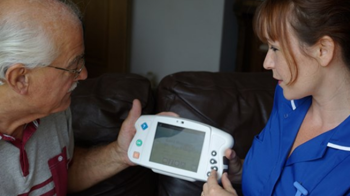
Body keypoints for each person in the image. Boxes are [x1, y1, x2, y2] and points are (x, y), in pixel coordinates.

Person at [0, 0, 175, 195]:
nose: (83, 74)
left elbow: (63, 175)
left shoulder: (54, 110)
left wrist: (119, 153)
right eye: (73, 66)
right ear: (20, 79)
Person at [202, 0, 350, 195]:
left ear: (323, 50)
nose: (267, 63)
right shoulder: (287, 99)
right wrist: (243, 171)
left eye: (275, 49)